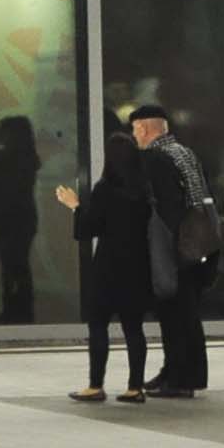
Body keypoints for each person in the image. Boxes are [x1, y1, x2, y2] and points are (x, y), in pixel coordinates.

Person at [59, 129, 153, 403]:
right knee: (133, 328)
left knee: (98, 325)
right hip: (138, 265)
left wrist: (75, 206)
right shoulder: (144, 189)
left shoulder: (105, 189)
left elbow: (87, 230)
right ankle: (135, 387)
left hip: (108, 265)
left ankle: (95, 385)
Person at [135, 105, 214, 398]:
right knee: (187, 310)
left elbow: (165, 206)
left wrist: (162, 246)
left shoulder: (157, 158)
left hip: (174, 243)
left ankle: (180, 378)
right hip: (196, 239)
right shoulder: (184, 152)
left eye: (135, 130)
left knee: (175, 313)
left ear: (144, 128)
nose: (135, 136)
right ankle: (176, 372)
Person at [0, 116, 42, 327]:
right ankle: (20, 309)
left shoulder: (2, 159)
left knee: (11, 266)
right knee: (18, 266)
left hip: (9, 220)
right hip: (23, 219)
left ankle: (13, 309)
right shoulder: (28, 158)